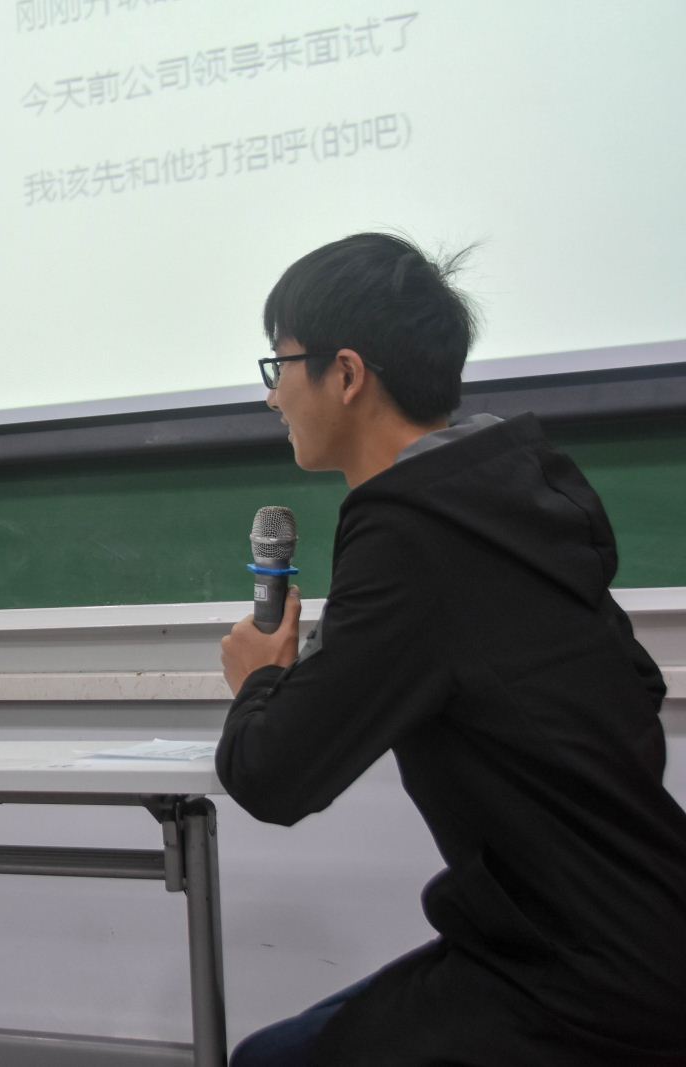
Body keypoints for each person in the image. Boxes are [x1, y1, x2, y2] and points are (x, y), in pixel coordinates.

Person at [216, 233, 686, 1066]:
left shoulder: (410, 532)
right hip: (635, 923)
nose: (272, 396)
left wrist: (258, 681)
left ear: (346, 374)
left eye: (279, 365)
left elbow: (272, 776)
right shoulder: (511, 494)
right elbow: (636, 688)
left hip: (580, 978)